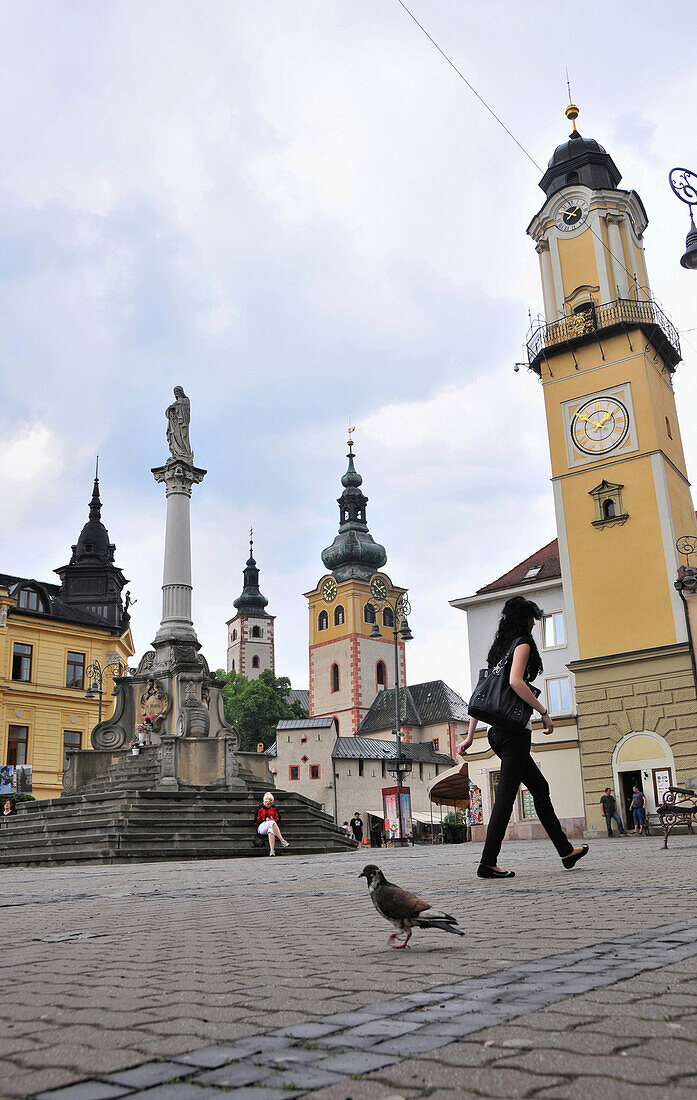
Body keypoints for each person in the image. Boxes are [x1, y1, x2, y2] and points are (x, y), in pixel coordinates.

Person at [458, 596, 588, 879]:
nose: (533, 623)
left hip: (495, 732)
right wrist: (543, 711)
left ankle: (566, 852)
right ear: (525, 620)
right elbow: (516, 682)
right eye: (532, 619)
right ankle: (487, 862)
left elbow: (482, 696)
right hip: (514, 734)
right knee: (505, 799)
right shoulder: (522, 645)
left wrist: (470, 736)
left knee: (539, 789)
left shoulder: (498, 651)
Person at [255, 792, 289, 856]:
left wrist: (272, 819)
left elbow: (278, 819)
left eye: (270, 804)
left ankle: (272, 851)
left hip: (271, 825)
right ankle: (282, 840)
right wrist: (265, 819)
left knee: (271, 831)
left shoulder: (274, 808)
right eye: (268, 804)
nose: (269, 805)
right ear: (264, 802)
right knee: (272, 822)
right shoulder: (259, 808)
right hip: (261, 827)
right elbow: (256, 821)